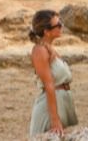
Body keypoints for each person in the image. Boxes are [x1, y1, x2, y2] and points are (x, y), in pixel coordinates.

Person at [28, 9, 78, 137]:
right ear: (46, 31)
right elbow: (49, 85)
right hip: (49, 109)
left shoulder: (49, 49)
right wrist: (55, 120)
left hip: (63, 102)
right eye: (58, 25)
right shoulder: (40, 51)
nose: (62, 27)